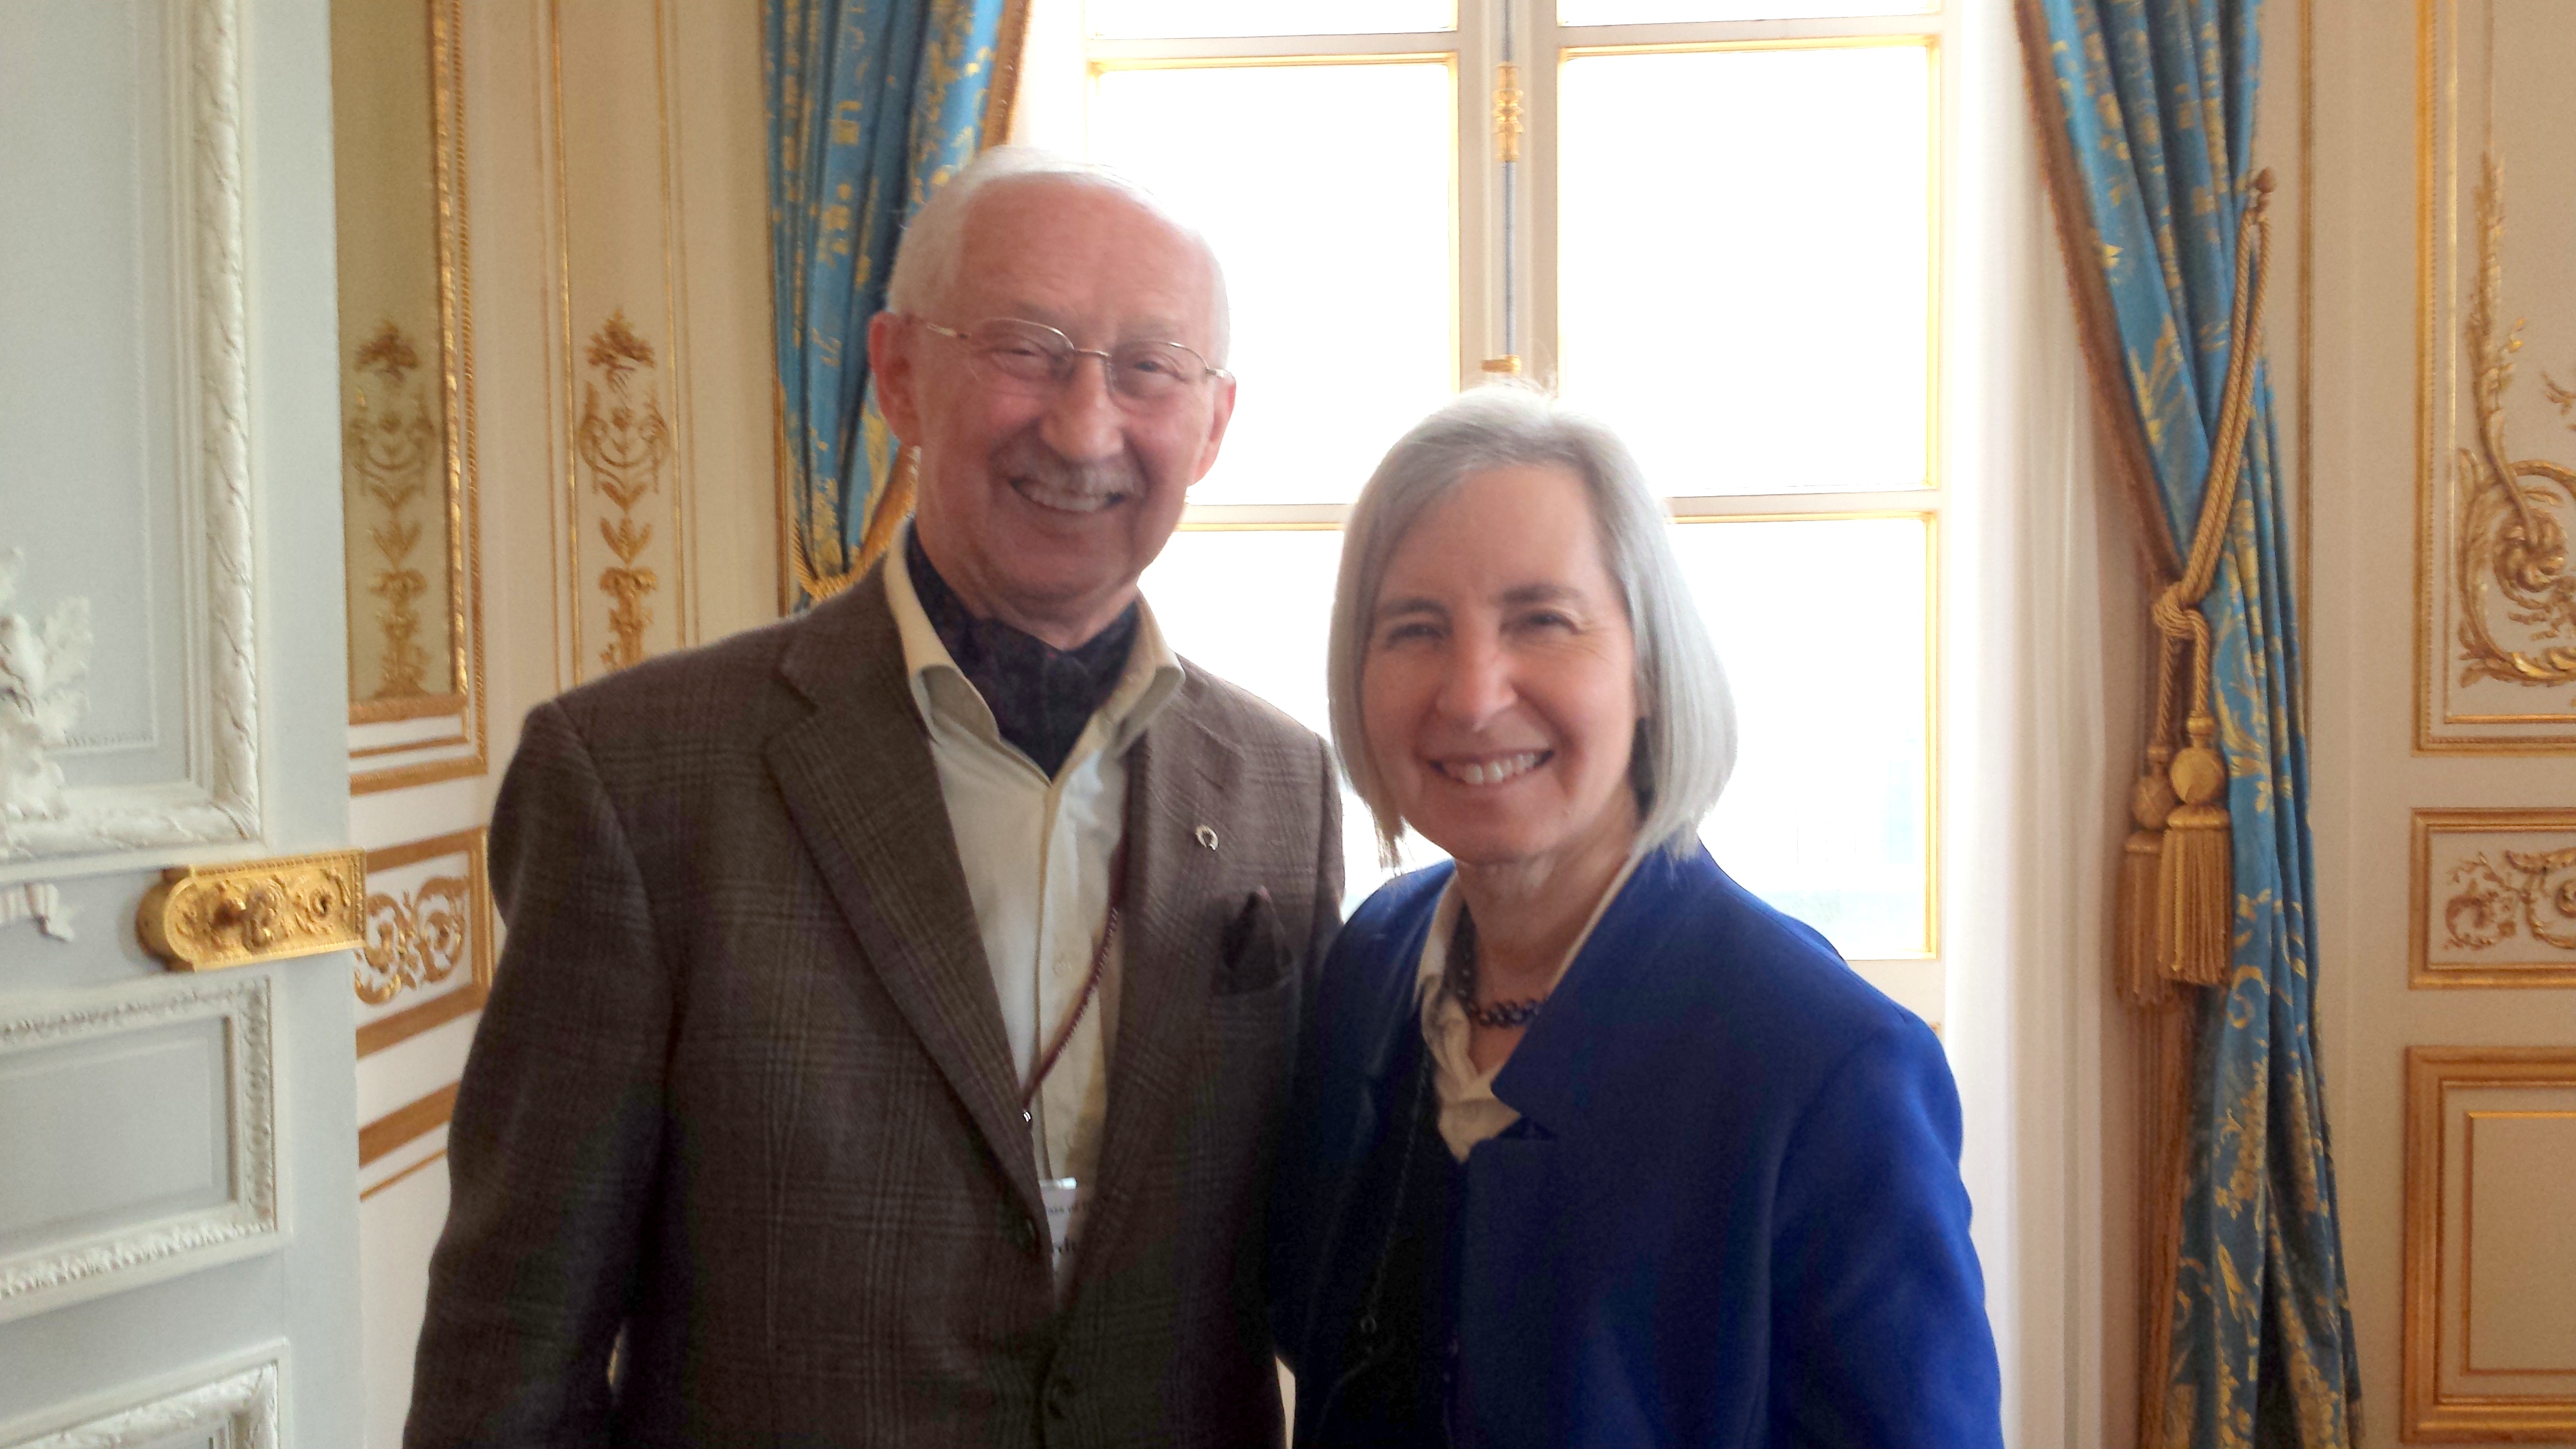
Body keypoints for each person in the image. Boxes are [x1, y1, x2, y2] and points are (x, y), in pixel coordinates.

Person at [405, 149, 1342, 1448]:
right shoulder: (635, 779)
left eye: (1149, 369)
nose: (1085, 428)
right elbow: (512, 1354)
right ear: (898, 374)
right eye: (1026, 348)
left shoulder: (1287, 786)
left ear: (1216, 424)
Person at [1269, 385, 2002, 1448]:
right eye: (1415, 628)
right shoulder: (1371, 964)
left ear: (1649, 668)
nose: (1472, 695)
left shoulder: (1826, 1066)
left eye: (1541, 620)